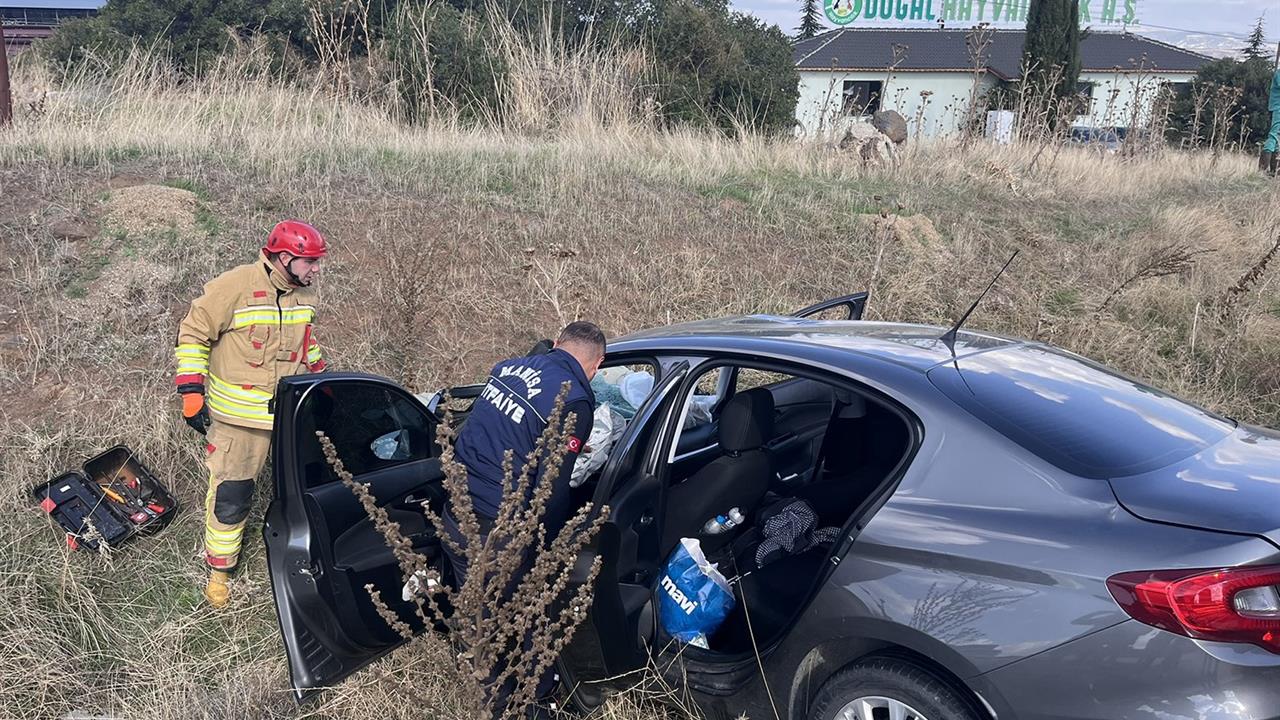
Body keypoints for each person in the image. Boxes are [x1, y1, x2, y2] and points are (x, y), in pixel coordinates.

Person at [443, 321, 603, 715]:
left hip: (458, 508)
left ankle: (487, 691)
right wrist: (548, 544)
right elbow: (552, 485)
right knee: (522, 615)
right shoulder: (575, 401)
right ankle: (531, 704)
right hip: (499, 524)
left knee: (479, 611)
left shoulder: (508, 367)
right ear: (597, 365)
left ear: (556, 343)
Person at [174, 220, 329, 608]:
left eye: (316, 262)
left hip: (290, 417)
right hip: (239, 424)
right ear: (284, 258)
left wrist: (325, 384)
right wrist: (191, 392)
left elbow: (307, 346)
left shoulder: (303, 296)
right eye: (309, 262)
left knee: (301, 488)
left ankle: (303, 557)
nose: (316, 270)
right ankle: (219, 574)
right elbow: (193, 333)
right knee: (232, 495)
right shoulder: (235, 286)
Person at [1263, 64, 1280, 177]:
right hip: (1278, 108)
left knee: (1277, 138)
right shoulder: (1279, 74)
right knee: (1274, 136)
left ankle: (1274, 171)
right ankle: (1264, 169)